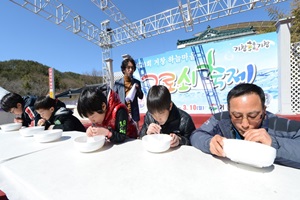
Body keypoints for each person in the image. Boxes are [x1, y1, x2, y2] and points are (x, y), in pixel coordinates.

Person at [190, 83, 300, 169]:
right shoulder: (220, 119)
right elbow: (196, 135)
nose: (245, 124)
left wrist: (273, 143)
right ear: (229, 112)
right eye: (237, 115)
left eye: (253, 115)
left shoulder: (283, 126)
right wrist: (209, 143)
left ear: (264, 110)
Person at [114, 56, 144, 127]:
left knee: (135, 135)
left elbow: (141, 97)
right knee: (123, 135)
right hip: (122, 114)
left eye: (132, 68)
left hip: (134, 115)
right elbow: (114, 98)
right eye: (128, 68)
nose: (131, 70)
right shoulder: (118, 83)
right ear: (124, 70)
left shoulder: (137, 82)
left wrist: (138, 89)